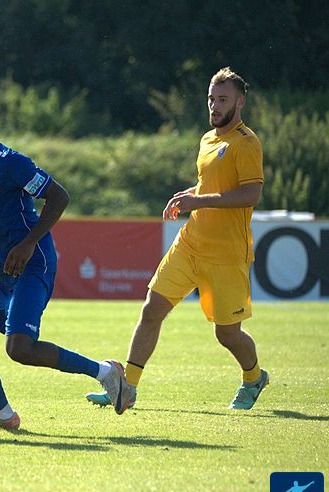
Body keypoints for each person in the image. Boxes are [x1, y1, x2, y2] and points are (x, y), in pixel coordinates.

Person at [0, 91, 130, 430]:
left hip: (31, 261)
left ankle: (106, 372)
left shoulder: (10, 163)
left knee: (19, 348)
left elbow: (59, 196)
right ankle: (3, 415)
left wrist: (29, 243)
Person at [86, 66, 268, 411]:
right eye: (211, 98)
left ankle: (254, 377)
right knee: (151, 309)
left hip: (227, 255)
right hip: (190, 244)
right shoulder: (208, 139)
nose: (214, 106)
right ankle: (127, 388)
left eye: (223, 99)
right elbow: (212, 185)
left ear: (240, 102)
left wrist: (198, 201)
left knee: (226, 334)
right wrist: (190, 194)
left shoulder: (246, 143)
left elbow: (251, 194)